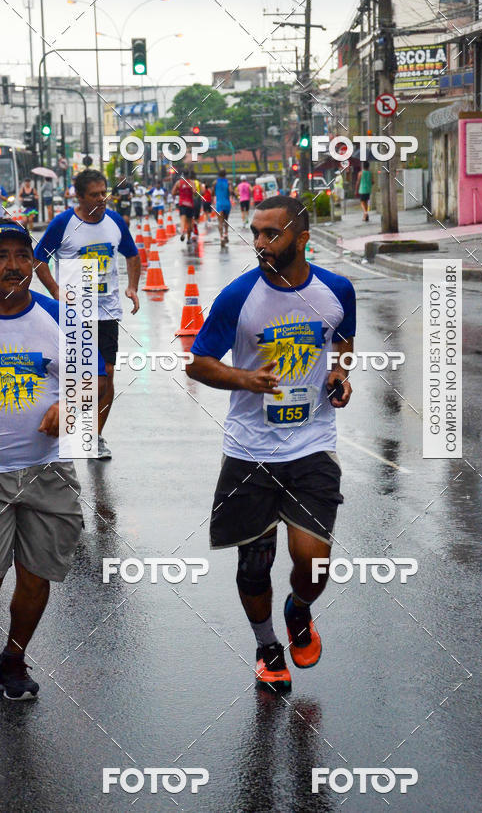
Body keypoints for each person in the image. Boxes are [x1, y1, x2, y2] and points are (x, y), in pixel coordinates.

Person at [187, 195, 355, 691]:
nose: (259, 242)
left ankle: (298, 609)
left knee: (314, 560)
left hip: (312, 445)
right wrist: (244, 379)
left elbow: (342, 340)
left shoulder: (336, 289)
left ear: (301, 239)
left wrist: (339, 375)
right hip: (250, 451)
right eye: (256, 233)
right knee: (254, 565)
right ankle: (266, 646)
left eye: (271, 234)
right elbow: (198, 363)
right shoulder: (238, 297)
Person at [0, 222, 106, 700]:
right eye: (0, 256)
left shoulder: (61, 317)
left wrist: (73, 406)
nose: (14, 265)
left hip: (49, 469)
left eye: (22, 255)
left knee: (37, 572)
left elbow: (96, 383)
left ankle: (14, 660)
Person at [34, 168, 141, 461]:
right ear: (79, 197)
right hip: (73, 314)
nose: (102, 199)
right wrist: (55, 290)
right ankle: (59, 427)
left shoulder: (115, 221)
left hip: (106, 313)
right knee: (75, 377)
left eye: (104, 193)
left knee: (107, 376)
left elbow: (132, 254)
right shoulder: (63, 223)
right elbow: (38, 259)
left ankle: (94, 436)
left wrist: (132, 287)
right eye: (95, 195)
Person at [172, 166, 196, 244]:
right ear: (189, 175)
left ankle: (182, 232)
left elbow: (173, 193)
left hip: (182, 204)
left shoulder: (178, 183)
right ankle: (188, 239)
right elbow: (194, 192)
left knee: (182, 220)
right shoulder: (192, 182)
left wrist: (180, 192)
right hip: (190, 204)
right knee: (189, 222)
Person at [213, 169, 232, 247]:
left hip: (219, 204)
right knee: (226, 220)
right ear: (225, 174)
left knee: (220, 222)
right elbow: (231, 191)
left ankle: (221, 238)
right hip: (227, 203)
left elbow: (212, 193)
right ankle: (226, 234)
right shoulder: (228, 182)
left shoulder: (215, 182)